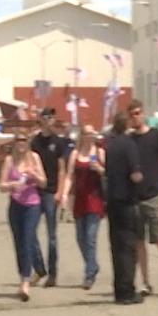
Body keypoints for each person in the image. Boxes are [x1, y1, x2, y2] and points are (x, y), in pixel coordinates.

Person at [126, 101, 158, 298]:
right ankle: (146, 282)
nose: (135, 117)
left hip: (154, 195)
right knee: (139, 243)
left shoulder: (156, 136)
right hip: (135, 197)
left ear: (143, 113)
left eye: (138, 113)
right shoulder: (129, 139)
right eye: (132, 114)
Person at [0, 134, 46, 302]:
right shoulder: (9, 161)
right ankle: (23, 278)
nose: (21, 143)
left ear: (28, 143)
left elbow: (44, 182)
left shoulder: (34, 158)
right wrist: (11, 185)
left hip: (32, 205)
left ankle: (26, 282)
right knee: (19, 243)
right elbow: (1, 185)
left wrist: (34, 174)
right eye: (18, 140)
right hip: (15, 206)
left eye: (24, 140)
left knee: (27, 239)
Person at [104, 112, 144, 305]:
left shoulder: (111, 145)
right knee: (129, 247)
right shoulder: (129, 145)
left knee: (116, 246)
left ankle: (119, 290)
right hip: (127, 200)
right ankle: (128, 290)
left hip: (112, 201)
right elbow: (135, 174)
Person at [30, 108, 71, 286]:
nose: (49, 120)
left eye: (52, 117)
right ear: (41, 119)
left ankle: (53, 274)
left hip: (51, 192)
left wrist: (60, 192)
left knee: (52, 235)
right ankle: (39, 269)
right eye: (46, 117)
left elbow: (62, 169)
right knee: (30, 232)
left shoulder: (59, 142)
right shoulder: (35, 142)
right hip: (35, 191)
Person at [63, 124, 107, 290]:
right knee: (80, 238)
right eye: (86, 134)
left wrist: (100, 169)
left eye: (91, 134)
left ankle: (89, 275)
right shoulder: (75, 154)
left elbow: (108, 173)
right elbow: (69, 176)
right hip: (80, 199)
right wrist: (65, 195)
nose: (89, 137)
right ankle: (93, 264)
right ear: (81, 136)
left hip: (95, 199)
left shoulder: (99, 153)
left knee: (90, 237)